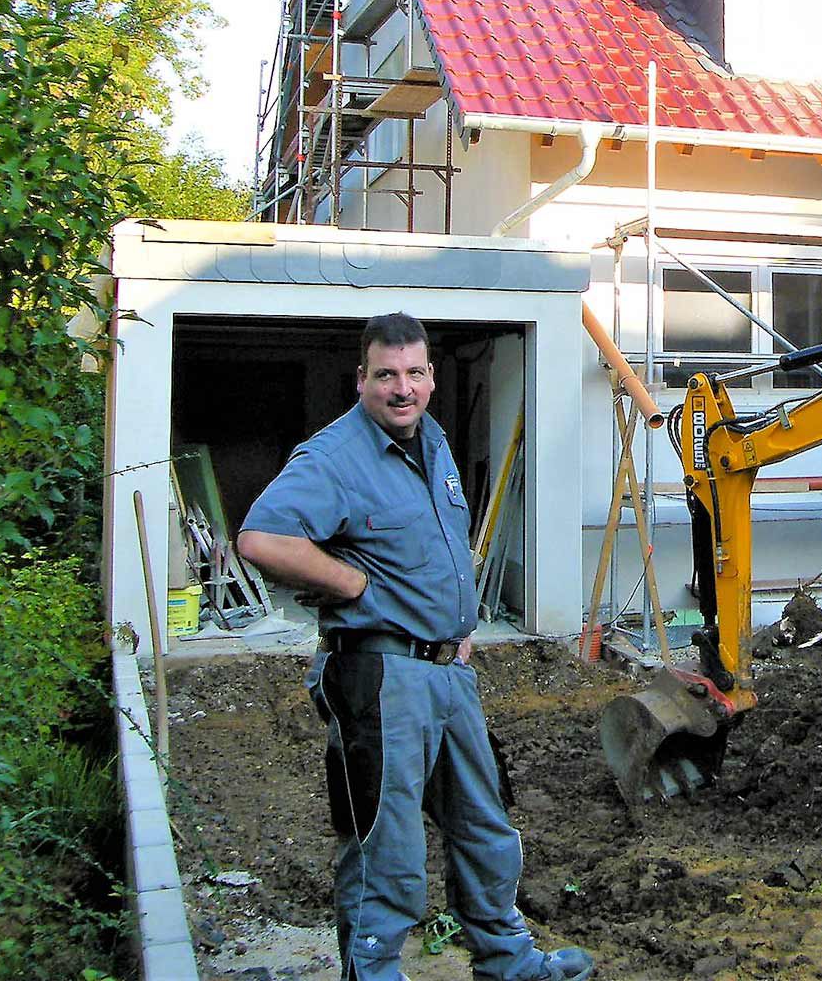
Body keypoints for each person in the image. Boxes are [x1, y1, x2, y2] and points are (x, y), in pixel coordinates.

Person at [237, 313, 593, 981]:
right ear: (362, 380)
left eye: (415, 373)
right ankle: (372, 974)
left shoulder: (430, 440)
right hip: (381, 678)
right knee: (386, 843)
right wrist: (350, 581)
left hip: (448, 673)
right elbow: (262, 539)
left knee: (484, 825)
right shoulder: (334, 456)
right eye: (386, 375)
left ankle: (507, 959)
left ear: (430, 375)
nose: (403, 388)